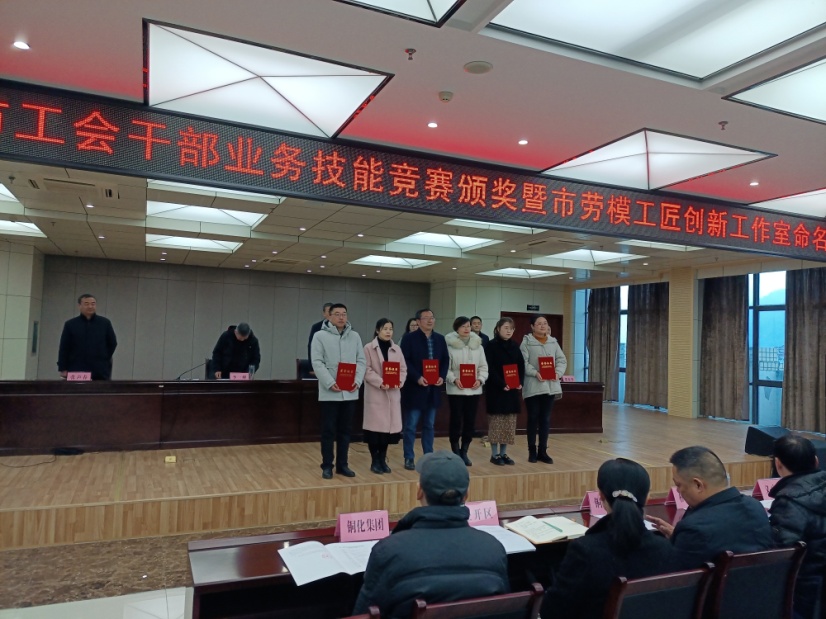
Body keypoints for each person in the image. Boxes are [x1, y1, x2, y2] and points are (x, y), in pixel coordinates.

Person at [352, 451, 509, 618]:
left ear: (419, 491)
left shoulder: (389, 551)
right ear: (466, 495)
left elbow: (363, 614)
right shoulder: (494, 549)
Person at [541, 458, 682, 619]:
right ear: (647, 497)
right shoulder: (665, 548)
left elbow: (552, 612)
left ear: (600, 495)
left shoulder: (585, 550)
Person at [646, 445, 773, 565]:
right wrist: (679, 537)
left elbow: (676, 575)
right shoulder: (755, 506)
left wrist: (677, 541)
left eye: (679, 485)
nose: (678, 491)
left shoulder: (694, 529)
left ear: (698, 485)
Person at [769, 434, 826, 619]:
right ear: (816, 461)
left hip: (808, 596)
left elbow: (782, 557)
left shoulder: (788, 502)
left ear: (778, 464)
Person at [310, 303, 366, 479]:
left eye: (344, 314)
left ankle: (343, 465)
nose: (341, 317)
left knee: (346, 431)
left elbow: (361, 361)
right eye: (337, 314)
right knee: (328, 431)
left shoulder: (355, 336)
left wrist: (357, 381)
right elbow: (317, 362)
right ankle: (327, 465)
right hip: (330, 392)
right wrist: (329, 382)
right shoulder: (320, 336)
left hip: (350, 391)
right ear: (329, 316)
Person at [400, 308, 449, 471]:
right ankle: (409, 457)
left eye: (432, 317)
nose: (430, 320)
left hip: (433, 389)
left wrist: (441, 376)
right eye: (426, 318)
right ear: (418, 321)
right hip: (415, 388)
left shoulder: (440, 339)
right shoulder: (409, 338)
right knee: (411, 426)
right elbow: (405, 361)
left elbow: (445, 360)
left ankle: (429, 456)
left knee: (429, 425)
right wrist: (417, 377)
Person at [520, 315, 566, 464]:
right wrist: (535, 373)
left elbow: (561, 360)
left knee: (545, 419)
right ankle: (532, 451)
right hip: (534, 386)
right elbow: (523, 362)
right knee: (533, 418)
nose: (542, 326)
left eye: (545, 323)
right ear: (532, 326)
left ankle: (543, 451)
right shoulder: (527, 342)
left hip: (550, 386)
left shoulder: (553, 342)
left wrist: (558, 373)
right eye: (539, 324)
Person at [363, 318, 407, 474]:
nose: (388, 332)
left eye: (390, 329)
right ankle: (374, 461)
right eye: (385, 329)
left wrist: (399, 381)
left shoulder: (397, 349)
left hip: (392, 393)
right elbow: (366, 369)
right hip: (376, 394)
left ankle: (382, 459)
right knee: (375, 432)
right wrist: (380, 382)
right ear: (377, 330)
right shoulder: (368, 348)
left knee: (387, 433)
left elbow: (403, 369)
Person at [445, 316, 488, 466]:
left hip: (474, 390)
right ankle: (455, 450)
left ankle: (464, 451)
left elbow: (483, 367)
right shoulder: (449, 346)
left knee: (470, 421)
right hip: (456, 389)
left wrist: (480, 379)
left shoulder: (478, 346)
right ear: (456, 329)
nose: (467, 329)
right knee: (456, 420)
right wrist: (454, 379)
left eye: (468, 326)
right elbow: (445, 368)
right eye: (463, 326)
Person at [484, 318, 524, 465]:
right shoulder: (490, 346)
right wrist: (502, 383)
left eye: (511, 328)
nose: (509, 331)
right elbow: (489, 368)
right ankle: (494, 455)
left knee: (508, 423)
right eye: (506, 328)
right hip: (496, 390)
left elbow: (521, 366)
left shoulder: (515, 345)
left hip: (511, 391)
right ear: (498, 329)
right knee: (496, 423)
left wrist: (520, 382)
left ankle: (503, 453)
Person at [57, 293, 118, 380]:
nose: (90, 306)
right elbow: (64, 348)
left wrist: (103, 357)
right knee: (77, 389)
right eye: (86, 304)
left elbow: (112, 343)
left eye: (93, 304)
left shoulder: (105, 323)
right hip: (76, 367)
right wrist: (63, 368)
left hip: (100, 369)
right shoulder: (70, 324)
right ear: (79, 306)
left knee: (100, 388)